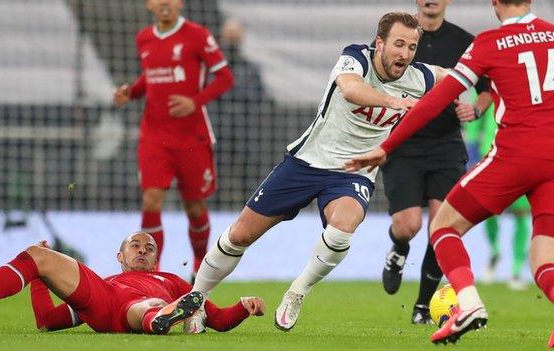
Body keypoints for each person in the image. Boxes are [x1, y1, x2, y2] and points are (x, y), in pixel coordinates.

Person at [191, 12, 449, 332]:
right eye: (398, 44)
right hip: (305, 163)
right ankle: (195, 300)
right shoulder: (355, 58)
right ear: (379, 43)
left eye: (412, 47)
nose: (405, 54)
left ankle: (297, 291)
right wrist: (395, 103)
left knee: (344, 227)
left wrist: (479, 90)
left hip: (352, 173)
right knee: (239, 236)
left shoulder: (420, 78)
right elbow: (352, 90)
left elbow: (459, 77)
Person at [345, 0, 554, 346]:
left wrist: (386, 146)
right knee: (544, 257)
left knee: (443, 225)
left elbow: (437, 99)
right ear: (530, 1)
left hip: (515, 156)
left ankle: (469, 304)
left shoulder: (488, 42)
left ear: (495, 3)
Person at [379, 0, 492, 325]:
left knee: (441, 226)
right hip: (404, 143)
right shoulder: (400, 37)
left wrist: (477, 109)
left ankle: (422, 307)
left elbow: (486, 90)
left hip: (445, 145)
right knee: (408, 225)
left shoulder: (463, 42)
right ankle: (398, 249)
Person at [0, 232, 265, 334]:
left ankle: (162, 318)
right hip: (104, 300)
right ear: (119, 255)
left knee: (147, 305)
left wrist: (243, 307)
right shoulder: (104, 280)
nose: (142, 250)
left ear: (156, 259)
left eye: (149, 248)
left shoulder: (171, 280)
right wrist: (41, 278)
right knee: (36, 254)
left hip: (138, 308)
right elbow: (47, 322)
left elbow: (219, 320)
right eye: (134, 246)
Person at [112, 0, 234, 276]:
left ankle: (201, 265)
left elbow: (225, 78)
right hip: (154, 136)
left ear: (179, 3)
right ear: (149, 5)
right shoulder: (143, 38)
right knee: (151, 200)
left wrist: (195, 101)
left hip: (192, 138)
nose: (165, 3)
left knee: (194, 206)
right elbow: (150, 77)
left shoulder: (198, 35)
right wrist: (130, 92)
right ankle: (150, 272)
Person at [473, 109, 531, 290]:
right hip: (491, 154)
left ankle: (515, 271)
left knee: (521, 213)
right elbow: (476, 110)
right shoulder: (492, 85)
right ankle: (495, 250)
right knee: (487, 209)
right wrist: (472, 141)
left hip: (522, 156)